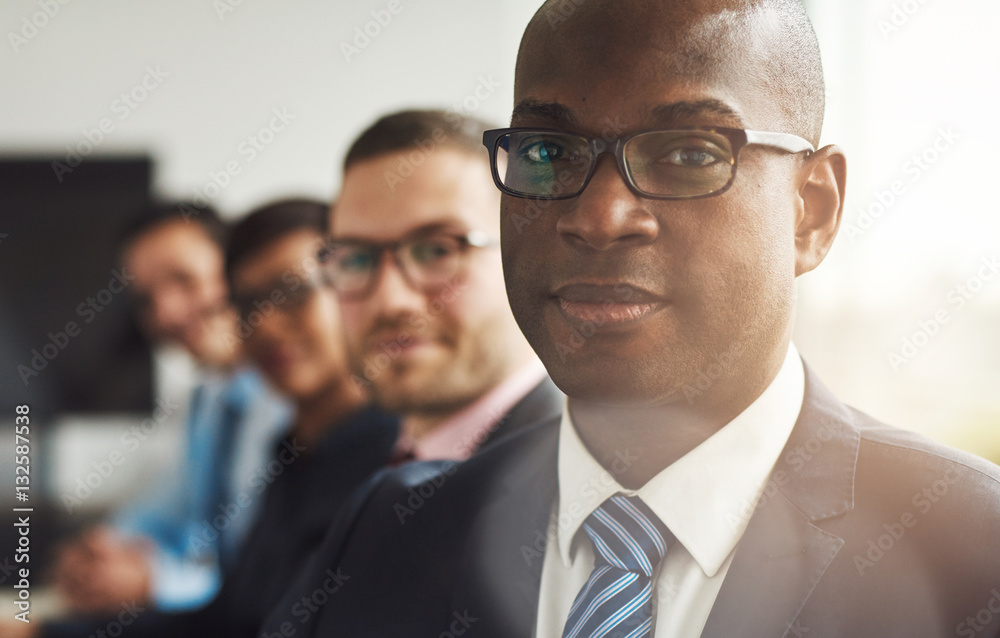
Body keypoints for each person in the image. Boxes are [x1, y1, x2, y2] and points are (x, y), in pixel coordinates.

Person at [258, 1, 1000, 636]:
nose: (601, 216)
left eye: (689, 153)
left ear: (811, 210)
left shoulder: (973, 555)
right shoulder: (389, 535)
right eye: (548, 151)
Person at [51, 203, 289, 615]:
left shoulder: (296, 406)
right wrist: (101, 553)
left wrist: (156, 582)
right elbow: (166, 513)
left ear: (240, 270)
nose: (166, 313)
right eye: (145, 299)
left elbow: (264, 576)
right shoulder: (210, 398)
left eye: (184, 279)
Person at [322, 109, 561, 464]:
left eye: (437, 250)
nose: (390, 302)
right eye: (357, 259)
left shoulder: (584, 485)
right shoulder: (349, 465)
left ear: (533, 256)